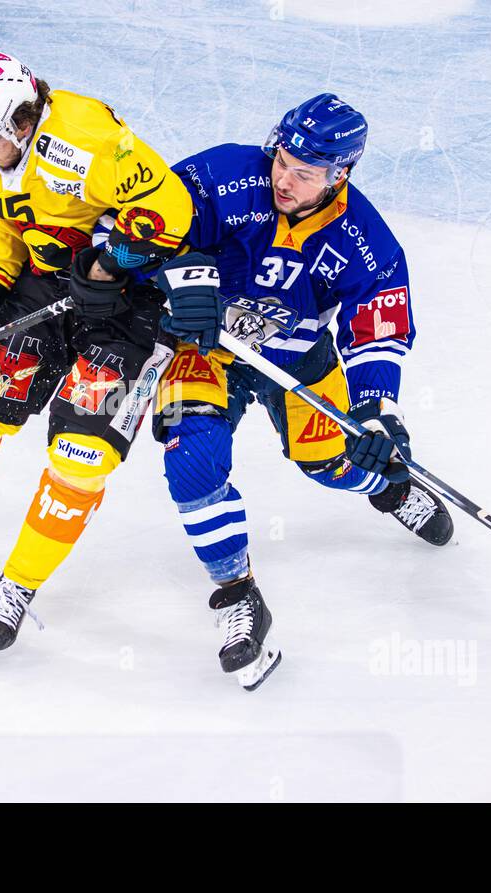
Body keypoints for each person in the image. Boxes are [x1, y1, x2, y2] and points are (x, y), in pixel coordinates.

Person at [149, 94, 454, 690]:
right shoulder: (223, 174)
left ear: (341, 174)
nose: (283, 179)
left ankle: (390, 487)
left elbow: (380, 324)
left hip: (296, 358)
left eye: (305, 173)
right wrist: (183, 278)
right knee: (192, 459)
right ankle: (237, 592)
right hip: (204, 349)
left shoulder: (365, 239)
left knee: (335, 463)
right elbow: (142, 224)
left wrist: (375, 413)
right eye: (282, 161)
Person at [0, 51, 192, 659]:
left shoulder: (88, 141)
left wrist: (109, 266)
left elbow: (173, 215)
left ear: (19, 122)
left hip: (128, 312)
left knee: (80, 458)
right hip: (44, 292)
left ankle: (18, 584)